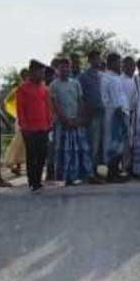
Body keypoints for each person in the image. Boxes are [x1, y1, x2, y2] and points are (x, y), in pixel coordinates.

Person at [49, 57, 93, 186]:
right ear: (58, 69)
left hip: (76, 121)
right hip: (62, 123)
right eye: (62, 67)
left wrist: (78, 118)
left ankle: (80, 175)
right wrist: (65, 119)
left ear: (70, 68)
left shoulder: (75, 83)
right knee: (64, 150)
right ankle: (65, 177)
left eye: (67, 67)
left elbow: (80, 101)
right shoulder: (53, 85)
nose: (65, 69)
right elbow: (55, 104)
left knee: (80, 149)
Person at [15, 60, 51, 192]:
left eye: (43, 72)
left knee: (42, 155)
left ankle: (38, 180)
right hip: (29, 129)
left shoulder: (44, 88)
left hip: (43, 127)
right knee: (32, 156)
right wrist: (24, 127)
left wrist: (49, 123)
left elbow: (47, 107)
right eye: (40, 72)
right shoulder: (23, 88)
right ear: (32, 72)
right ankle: (33, 182)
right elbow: (20, 109)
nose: (42, 75)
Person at [100, 52, 130, 182]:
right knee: (114, 145)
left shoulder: (115, 78)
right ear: (112, 63)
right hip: (114, 115)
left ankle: (116, 171)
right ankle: (112, 174)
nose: (121, 65)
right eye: (119, 62)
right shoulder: (108, 78)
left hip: (119, 114)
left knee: (118, 145)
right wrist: (119, 113)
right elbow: (111, 100)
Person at [79, 50, 105, 174]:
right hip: (91, 114)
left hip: (104, 113)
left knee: (103, 144)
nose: (97, 61)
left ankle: (101, 171)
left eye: (98, 58)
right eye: (94, 59)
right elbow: (80, 97)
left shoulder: (102, 76)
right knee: (93, 144)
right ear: (89, 61)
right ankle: (90, 172)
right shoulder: (83, 77)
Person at [3, 68, 28, 176]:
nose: (25, 77)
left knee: (24, 143)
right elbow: (7, 101)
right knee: (19, 141)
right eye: (24, 75)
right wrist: (15, 111)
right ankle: (13, 163)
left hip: (30, 117)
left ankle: (19, 166)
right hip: (21, 118)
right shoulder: (19, 89)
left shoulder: (30, 87)